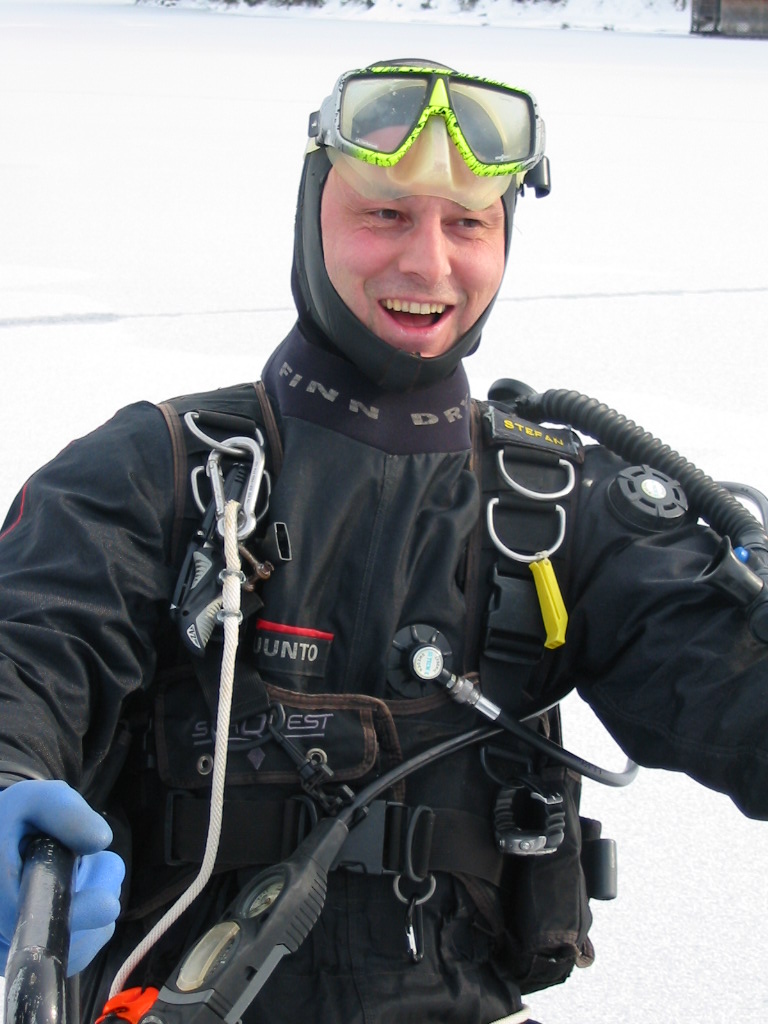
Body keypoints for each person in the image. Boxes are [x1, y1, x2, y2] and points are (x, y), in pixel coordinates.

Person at [0, 58, 767, 1024]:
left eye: (468, 225)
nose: (428, 265)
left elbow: (733, 693)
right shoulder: (155, 473)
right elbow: (29, 649)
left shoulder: (559, 509)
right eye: (386, 215)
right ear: (312, 217)